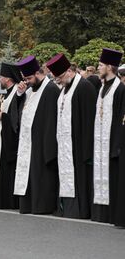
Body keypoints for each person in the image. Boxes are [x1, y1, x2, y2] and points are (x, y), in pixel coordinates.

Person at [46, 53, 97, 219]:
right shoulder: (64, 91)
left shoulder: (85, 87)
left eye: (60, 76)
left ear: (69, 71)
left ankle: (80, 210)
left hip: (79, 146)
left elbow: (89, 121)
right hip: (65, 145)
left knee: (80, 180)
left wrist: (86, 150)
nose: (58, 80)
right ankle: (67, 209)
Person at [14, 56, 60, 214]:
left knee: (42, 176)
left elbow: (52, 120)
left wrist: (48, 148)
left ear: (37, 73)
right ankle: (29, 205)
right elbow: (21, 113)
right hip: (28, 142)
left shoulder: (51, 89)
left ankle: (42, 206)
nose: (27, 81)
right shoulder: (30, 91)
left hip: (42, 144)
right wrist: (19, 94)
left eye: (28, 78)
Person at [91, 49, 125, 224]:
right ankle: (101, 213)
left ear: (110, 67)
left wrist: (117, 145)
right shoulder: (102, 87)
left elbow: (120, 118)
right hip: (100, 142)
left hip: (112, 142)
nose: (98, 67)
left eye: (101, 65)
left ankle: (112, 214)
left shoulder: (120, 89)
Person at [0, 62, 24, 209]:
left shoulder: (16, 93)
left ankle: (8, 201)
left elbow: (16, 118)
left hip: (10, 142)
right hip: (1, 139)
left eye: (1, 77)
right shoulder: (7, 93)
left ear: (8, 79)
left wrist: (3, 116)